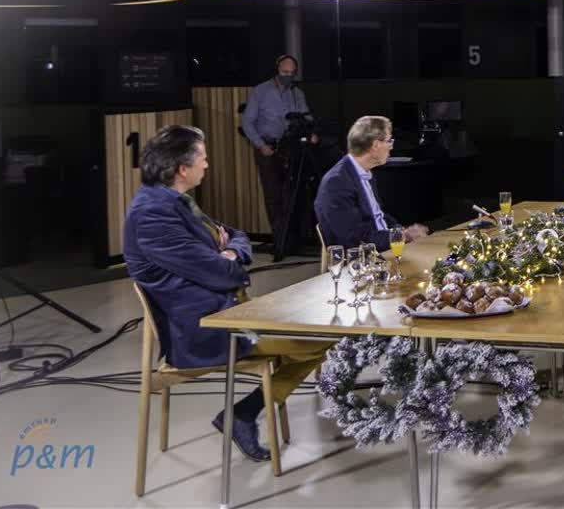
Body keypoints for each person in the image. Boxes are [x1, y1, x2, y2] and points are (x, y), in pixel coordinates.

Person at [124, 125, 329, 462]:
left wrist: (230, 251)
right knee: (318, 339)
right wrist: (227, 259)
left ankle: (243, 414)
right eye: (203, 159)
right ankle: (244, 414)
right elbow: (222, 273)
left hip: (229, 310)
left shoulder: (173, 201)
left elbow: (236, 235)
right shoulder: (152, 215)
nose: (207, 165)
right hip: (207, 327)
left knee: (322, 334)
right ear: (182, 168)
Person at [241, 54, 319, 253]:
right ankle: (280, 241)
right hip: (268, 149)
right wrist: (260, 145)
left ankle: (293, 240)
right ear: (277, 70)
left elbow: (306, 117)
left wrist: (311, 132)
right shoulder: (260, 92)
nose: (288, 76)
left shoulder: (297, 93)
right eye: (285, 72)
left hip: (292, 149)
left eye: (292, 73)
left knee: (293, 195)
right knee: (273, 196)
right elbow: (247, 123)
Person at [314, 116, 429, 251]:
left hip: (383, 248)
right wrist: (403, 236)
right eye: (389, 141)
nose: (391, 146)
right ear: (375, 145)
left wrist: (402, 231)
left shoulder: (363, 172)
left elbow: (379, 216)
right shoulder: (337, 183)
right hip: (364, 257)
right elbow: (355, 240)